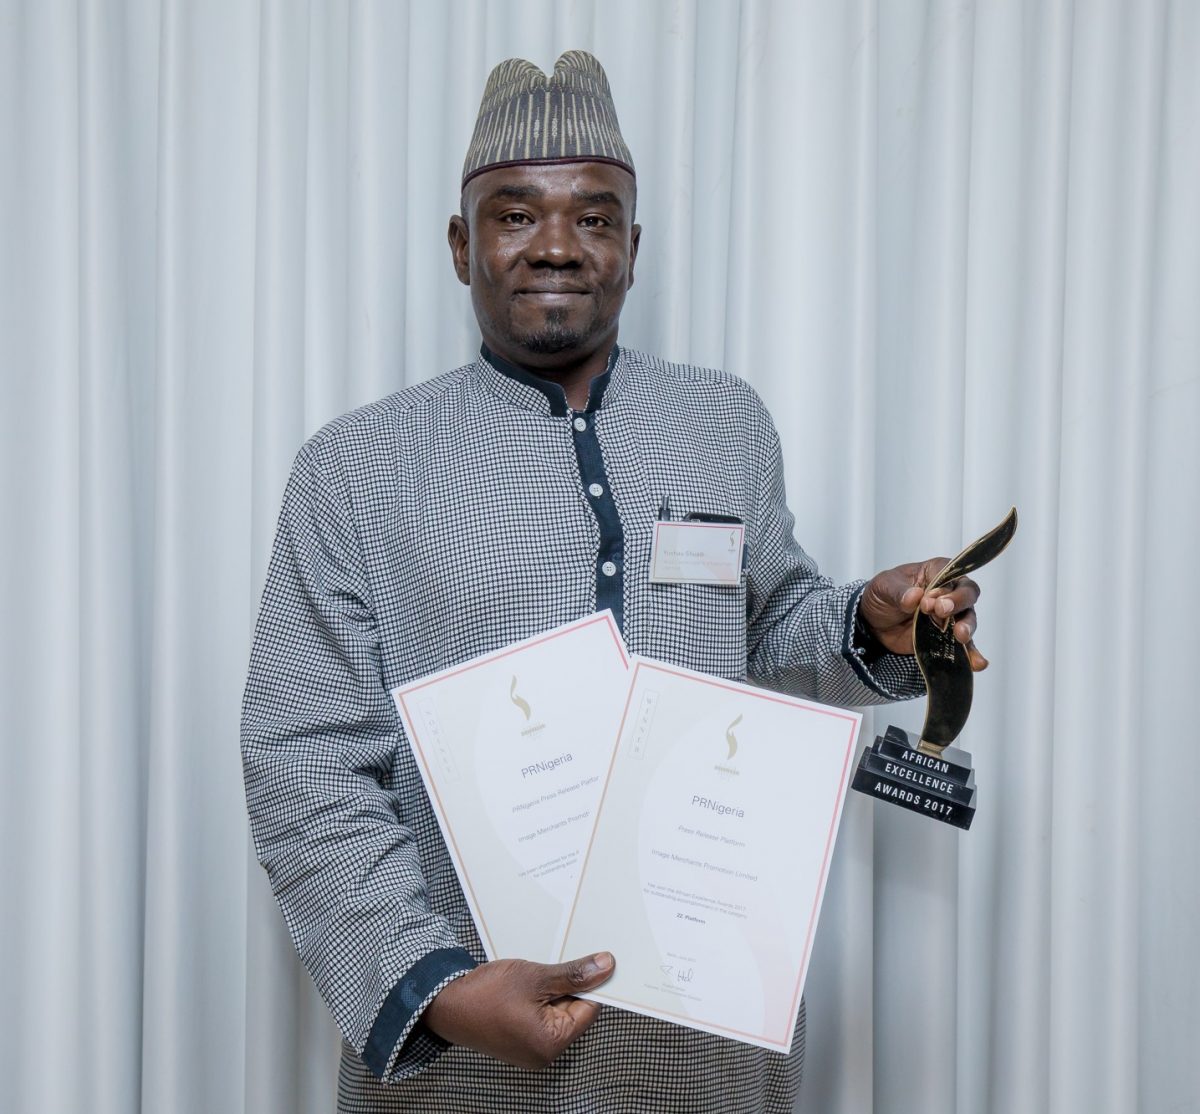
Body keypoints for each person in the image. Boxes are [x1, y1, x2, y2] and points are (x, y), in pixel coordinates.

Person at [241, 50, 983, 1114]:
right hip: (467, 1068)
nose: (556, 244)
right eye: (515, 215)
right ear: (460, 245)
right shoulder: (357, 467)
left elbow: (766, 636)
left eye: (594, 218)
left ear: (634, 248)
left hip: (708, 1049)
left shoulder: (724, 423)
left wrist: (871, 626)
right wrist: (436, 989)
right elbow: (302, 755)